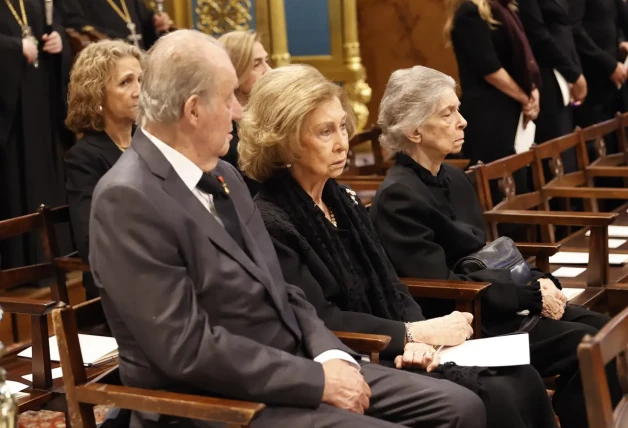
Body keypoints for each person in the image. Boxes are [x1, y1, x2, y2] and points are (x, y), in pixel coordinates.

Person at [89, 29, 486, 428]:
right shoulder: (127, 197)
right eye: (230, 98)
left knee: (462, 407)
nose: (238, 112)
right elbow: (186, 349)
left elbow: (285, 293)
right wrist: (317, 381)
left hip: (292, 367)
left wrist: (332, 357)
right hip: (215, 403)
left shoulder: (224, 174)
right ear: (193, 110)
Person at [239, 63, 558, 428]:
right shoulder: (270, 221)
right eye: (325, 132)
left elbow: (391, 282)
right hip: (355, 356)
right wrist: (411, 334)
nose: (343, 142)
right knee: (493, 395)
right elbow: (323, 319)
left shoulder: (342, 198)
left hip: (396, 341)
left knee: (522, 377)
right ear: (284, 141)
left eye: (342, 126)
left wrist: (422, 333)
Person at [369, 65, 621, 428]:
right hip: (469, 323)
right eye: (448, 113)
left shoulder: (453, 177)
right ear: (414, 131)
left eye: (458, 109)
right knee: (589, 344)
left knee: (607, 328)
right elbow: (441, 285)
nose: (463, 121)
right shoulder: (398, 196)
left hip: (499, 303)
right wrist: (530, 295)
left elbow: (487, 253)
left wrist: (539, 279)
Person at [64, 40, 143, 299]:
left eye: (141, 80)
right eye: (125, 82)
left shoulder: (149, 141)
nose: (138, 91)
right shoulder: (84, 157)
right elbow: (91, 243)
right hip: (117, 286)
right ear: (96, 94)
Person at [444, 0, 539, 201]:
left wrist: (533, 91)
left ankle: (517, 232)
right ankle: (501, 232)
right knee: (499, 191)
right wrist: (525, 97)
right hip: (488, 115)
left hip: (510, 108)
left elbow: (524, 60)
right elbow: (489, 68)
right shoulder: (469, 12)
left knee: (518, 184)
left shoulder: (506, 9)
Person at [1, 0, 71, 269]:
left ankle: (55, 260)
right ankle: (22, 267)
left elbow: (57, 31)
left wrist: (58, 42)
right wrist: (13, 48)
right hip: (10, 115)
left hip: (41, 104)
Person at [518, 0, 586, 144]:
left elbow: (567, 31)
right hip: (547, 76)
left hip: (566, 74)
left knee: (568, 143)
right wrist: (573, 74)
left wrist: (575, 71)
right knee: (557, 144)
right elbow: (539, 36)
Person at [218, 30, 271, 196]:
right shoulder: (224, 132)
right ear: (234, 70)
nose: (268, 70)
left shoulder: (272, 114)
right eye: (257, 64)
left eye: (266, 61)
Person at [570, 0, 628, 135]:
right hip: (593, 83)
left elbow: (617, 20)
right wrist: (609, 65)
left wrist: (620, 43)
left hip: (616, 84)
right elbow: (574, 30)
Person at [60, 0, 173, 50]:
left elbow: (145, 19)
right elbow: (75, 22)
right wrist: (118, 42)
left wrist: (158, 22)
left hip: (139, 58)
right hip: (108, 59)